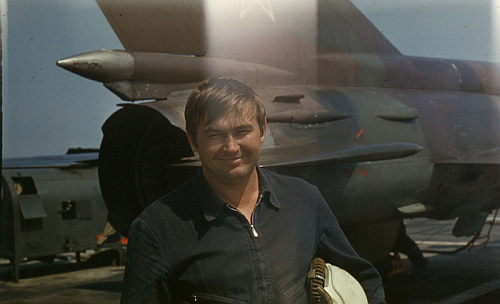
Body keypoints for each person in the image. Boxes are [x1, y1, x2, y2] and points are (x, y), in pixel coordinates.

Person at [121, 76, 386, 303]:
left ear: (262, 130)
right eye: (215, 135)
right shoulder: (157, 228)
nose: (231, 147)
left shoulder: (305, 200)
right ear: (193, 140)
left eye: (242, 131)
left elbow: (364, 279)